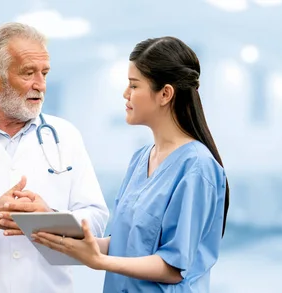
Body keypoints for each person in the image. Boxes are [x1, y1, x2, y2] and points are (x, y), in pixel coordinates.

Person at [32, 36, 230, 292]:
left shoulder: (197, 167)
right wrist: (52, 224)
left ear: (165, 94)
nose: (125, 94)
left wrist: (100, 261)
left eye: (134, 85)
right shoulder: (140, 159)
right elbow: (125, 245)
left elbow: (173, 267)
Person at [0, 22, 110, 293]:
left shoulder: (66, 136)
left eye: (45, 73)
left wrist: (49, 217)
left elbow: (95, 218)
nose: (41, 85)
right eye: (28, 73)